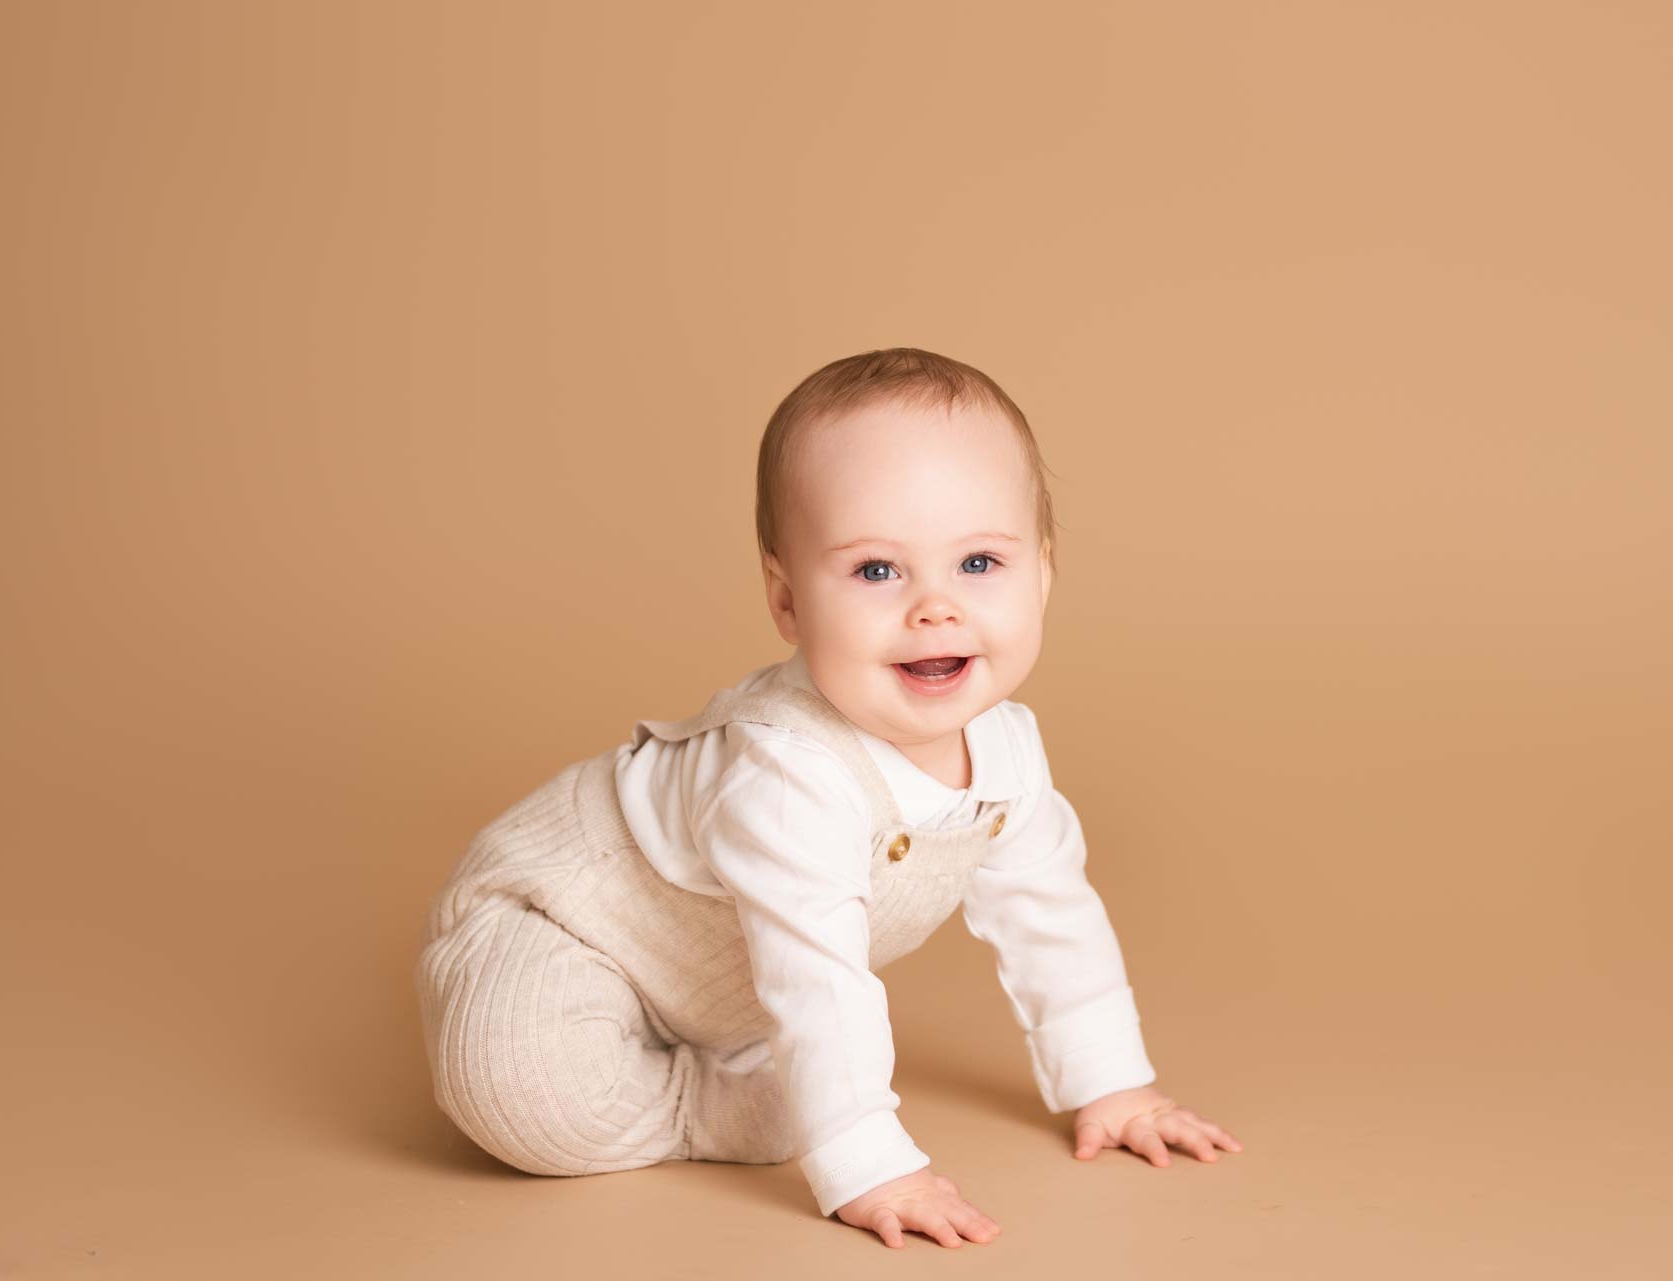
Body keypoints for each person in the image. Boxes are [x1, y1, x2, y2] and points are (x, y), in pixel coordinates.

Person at [414, 347, 1242, 1249]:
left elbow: (1051, 914)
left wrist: (1112, 1083)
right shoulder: (788, 772)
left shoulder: (1008, 752)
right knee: (512, 1086)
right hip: (564, 926)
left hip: (713, 991)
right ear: (787, 600)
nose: (935, 607)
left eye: (978, 561)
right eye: (877, 571)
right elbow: (815, 974)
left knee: (810, 1034)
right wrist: (866, 1161)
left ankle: (759, 1085)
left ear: (1042, 572)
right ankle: (725, 1104)